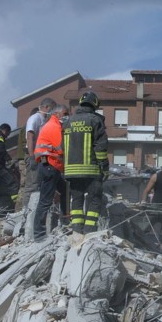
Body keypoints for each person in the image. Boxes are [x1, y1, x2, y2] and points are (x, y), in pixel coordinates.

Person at [63, 91, 109, 234]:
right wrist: (105, 168)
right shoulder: (95, 120)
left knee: (76, 201)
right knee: (95, 199)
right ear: (95, 104)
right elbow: (100, 147)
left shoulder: (68, 121)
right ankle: (89, 231)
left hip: (71, 171)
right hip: (91, 170)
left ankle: (76, 230)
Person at [33, 105, 70, 241]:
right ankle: (39, 235)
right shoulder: (54, 127)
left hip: (48, 165)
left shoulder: (52, 125)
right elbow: (61, 149)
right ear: (57, 114)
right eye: (65, 113)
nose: (67, 116)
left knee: (65, 189)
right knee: (45, 201)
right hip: (50, 166)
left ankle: (65, 221)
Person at [20, 97, 56, 210]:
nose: (52, 112)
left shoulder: (45, 121)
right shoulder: (35, 118)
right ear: (46, 107)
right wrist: (31, 157)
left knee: (42, 181)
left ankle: (36, 208)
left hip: (42, 155)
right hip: (33, 154)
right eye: (52, 108)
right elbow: (30, 138)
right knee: (32, 184)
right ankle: (25, 211)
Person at [15, 107, 39, 211]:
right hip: (24, 159)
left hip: (23, 158)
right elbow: (28, 141)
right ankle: (20, 209)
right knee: (25, 185)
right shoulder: (28, 126)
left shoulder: (26, 125)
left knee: (26, 184)